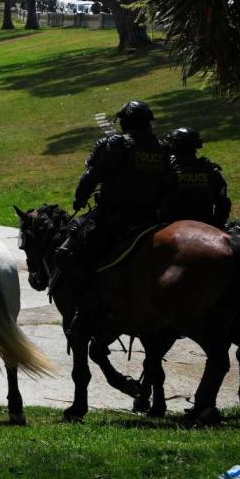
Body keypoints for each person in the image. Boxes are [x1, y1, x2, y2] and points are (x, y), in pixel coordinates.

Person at [54, 100, 173, 336]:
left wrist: (79, 199)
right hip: (152, 219)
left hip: (113, 216)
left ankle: (86, 309)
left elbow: (91, 176)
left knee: (66, 254)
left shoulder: (115, 144)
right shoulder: (163, 148)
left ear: (125, 122)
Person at [161, 127, 231, 230]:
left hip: (172, 224)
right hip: (207, 223)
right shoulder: (209, 168)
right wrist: (217, 225)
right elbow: (223, 202)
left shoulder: (167, 169)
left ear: (174, 144)